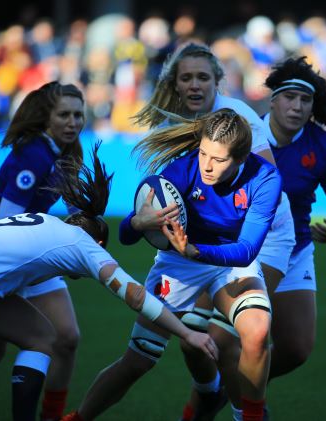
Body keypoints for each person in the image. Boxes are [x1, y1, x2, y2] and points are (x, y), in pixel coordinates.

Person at [0, 143, 218, 421]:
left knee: (42, 337)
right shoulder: (84, 246)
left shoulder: (44, 222)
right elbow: (134, 295)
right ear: (100, 244)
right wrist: (187, 333)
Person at [64, 42, 295, 421]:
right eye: (185, 77)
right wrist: (143, 222)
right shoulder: (178, 147)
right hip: (181, 259)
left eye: (202, 76)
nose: (206, 165)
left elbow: (248, 243)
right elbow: (130, 230)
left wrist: (196, 250)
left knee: (251, 332)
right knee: (140, 360)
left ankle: (250, 414)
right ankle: (81, 416)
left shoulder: (247, 143)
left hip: (236, 248)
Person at [0, 81, 86, 421]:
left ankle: (51, 416)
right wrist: (58, 256)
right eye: (64, 114)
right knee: (39, 342)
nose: (72, 122)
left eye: (78, 115)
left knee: (64, 338)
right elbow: (6, 223)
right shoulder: (35, 155)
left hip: (24, 253)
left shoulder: (60, 154)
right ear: (46, 116)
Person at [261, 56, 326, 400]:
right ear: (273, 100)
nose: (297, 106)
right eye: (290, 97)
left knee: (297, 349)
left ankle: (239, 384)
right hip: (243, 253)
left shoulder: (321, 144)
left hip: (294, 250)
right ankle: (239, 397)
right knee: (231, 341)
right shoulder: (243, 137)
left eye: (305, 100)